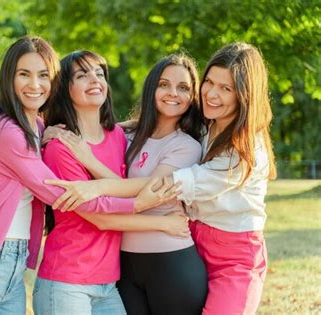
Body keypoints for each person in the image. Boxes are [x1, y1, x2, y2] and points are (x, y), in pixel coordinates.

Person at [0, 37, 178, 315]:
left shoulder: (38, 127)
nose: (35, 85)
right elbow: (64, 194)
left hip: (14, 271)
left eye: (43, 75)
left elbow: (104, 130)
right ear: (8, 78)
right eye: (24, 74)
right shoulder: (7, 131)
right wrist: (138, 204)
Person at [44, 53, 208, 314]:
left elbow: (149, 190)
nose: (172, 93)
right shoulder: (126, 134)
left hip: (170, 259)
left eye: (183, 87)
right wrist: (47, 129)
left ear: (192, 98)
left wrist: (89, 163)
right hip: (123, 267)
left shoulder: (186, 146)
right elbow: (91, 127)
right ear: (151, 87)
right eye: (164, 84)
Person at [170, 42, 277, 315]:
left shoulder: (246, 149)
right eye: (209, 82)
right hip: (191, 243)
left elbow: (180, 182)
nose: (211, 94)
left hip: (236, 258)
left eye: (225, 88)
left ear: (244, 95)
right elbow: (154, 125)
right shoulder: (203, 124)